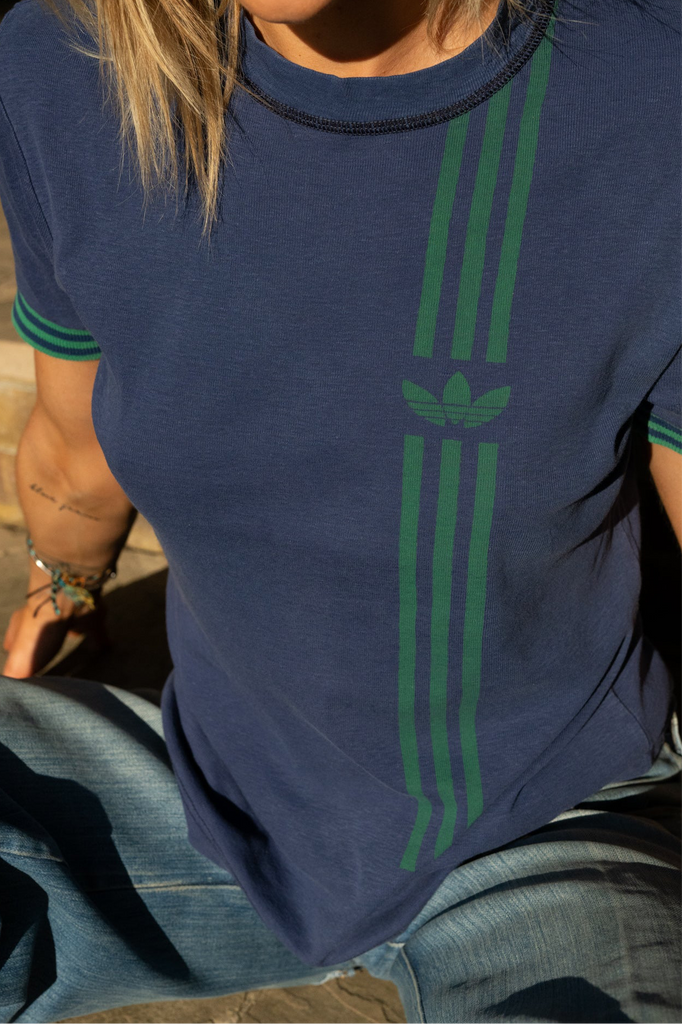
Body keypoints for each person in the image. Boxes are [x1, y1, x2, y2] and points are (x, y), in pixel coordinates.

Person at [0, 0, 681, 1019]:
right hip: (205, 783)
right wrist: (65, 584)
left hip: (546, 818)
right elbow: (76, 441)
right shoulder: (68, 59)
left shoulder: (650, 86)